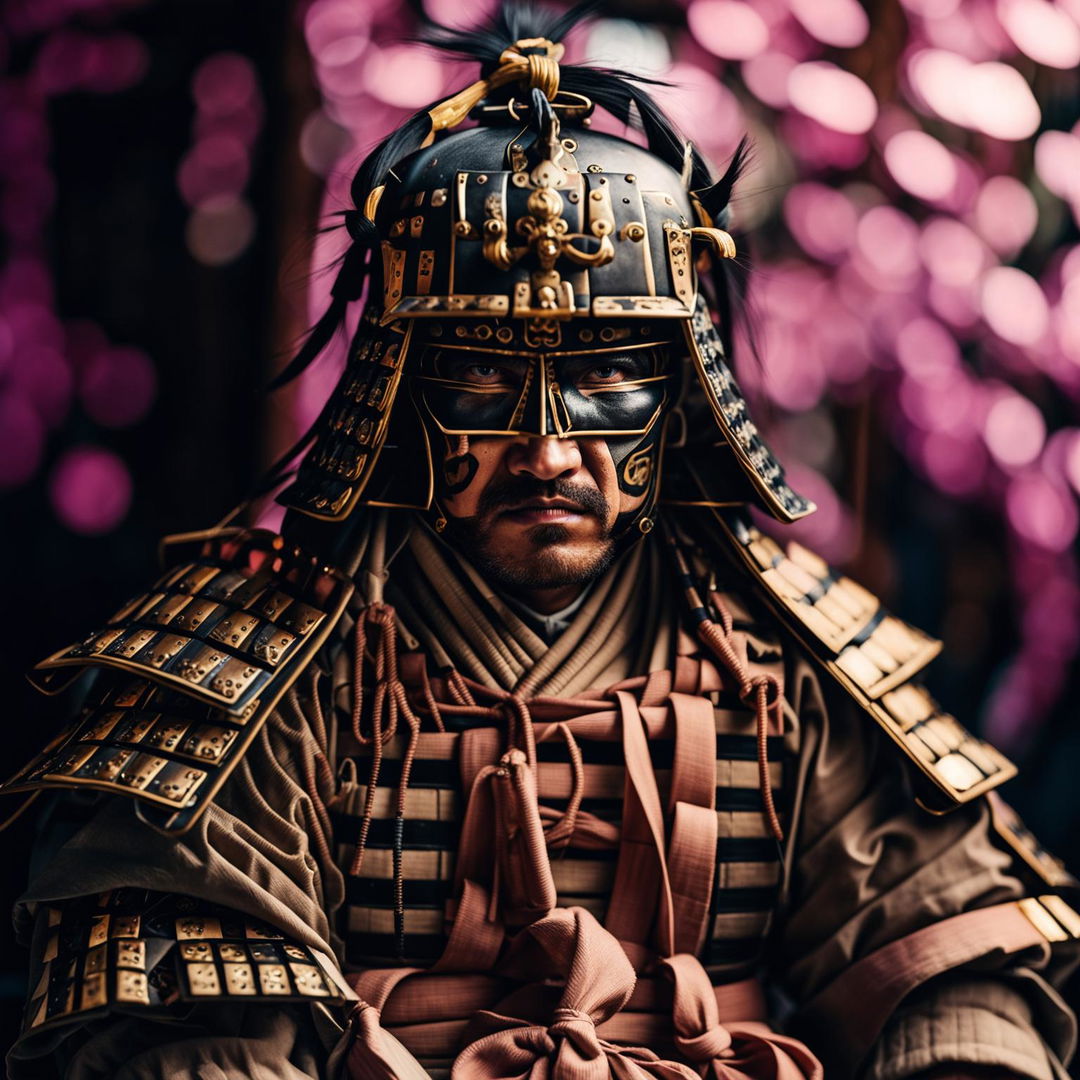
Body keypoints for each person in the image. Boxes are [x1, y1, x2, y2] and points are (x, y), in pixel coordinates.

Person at [5, 5, 1079, 1079]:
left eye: (608, 375)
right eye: (480, 372)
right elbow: (190, 1024)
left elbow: (948, 943)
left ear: (679, 398)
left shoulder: (779, 653)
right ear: (398, 388)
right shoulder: (254, 666)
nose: (548, 450)